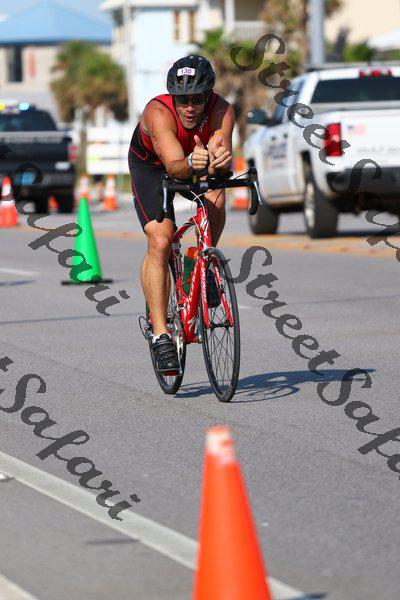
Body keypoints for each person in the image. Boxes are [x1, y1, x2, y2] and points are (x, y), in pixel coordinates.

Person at [128, 55, 234, 374]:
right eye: (182, 100)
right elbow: (175, 167)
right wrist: (192, 162)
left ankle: (204, 263)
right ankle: (161, 334)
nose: (189, 107)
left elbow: (219, 154)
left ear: (208, 96)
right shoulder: (158, 113)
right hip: (153, 167)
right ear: (172, 97)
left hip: (193, 160)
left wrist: (218, 161)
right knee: (161, 241)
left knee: (216, 195)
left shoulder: (222, 110)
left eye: (197, 99)